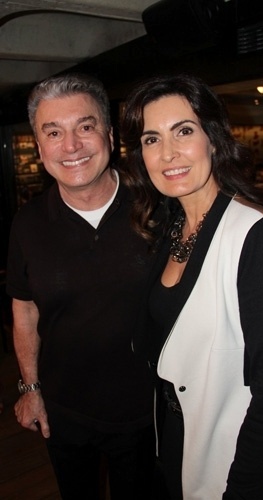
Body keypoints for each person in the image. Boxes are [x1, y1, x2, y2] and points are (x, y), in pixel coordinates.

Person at [120, 74, 263, 499]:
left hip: (234, 461)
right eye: (151, 139)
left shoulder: (257, 237)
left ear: (214, 140)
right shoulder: (171, 226)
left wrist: (242, 490)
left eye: (184, 131)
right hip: (176, 443)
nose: (168, 154)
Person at [7, 74, 156, 498]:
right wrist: (31, 389)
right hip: (64, 411)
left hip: (150, 414)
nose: (70, 146)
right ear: (38, 147)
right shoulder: (28, 224)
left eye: (84, 127)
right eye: (53, 132)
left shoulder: (155, 205)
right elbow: (25, 309)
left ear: (109, 135)